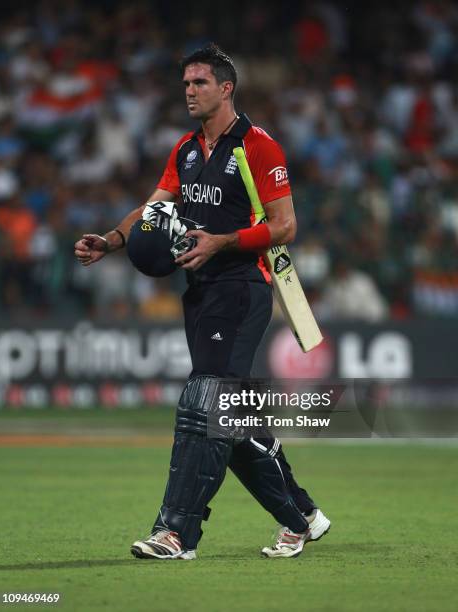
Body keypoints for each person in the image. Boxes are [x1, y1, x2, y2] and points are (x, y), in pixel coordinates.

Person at [75, 43, 330, 559]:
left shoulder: (257, 146)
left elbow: (285, 226)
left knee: (203, 404)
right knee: (229, 418)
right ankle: (299, 514)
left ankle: (176, 532)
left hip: (243, 289)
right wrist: (111, 240)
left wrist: (223, 240)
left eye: (199, 83)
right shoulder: (186, 149)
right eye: (186, 84)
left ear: (226, 87)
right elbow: (153, 209)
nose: (189, 91)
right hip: (200, 292)